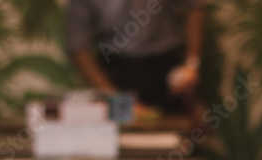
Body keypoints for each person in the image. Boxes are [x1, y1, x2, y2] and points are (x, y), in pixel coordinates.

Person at [64, 0, 204, 115]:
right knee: (123, 141)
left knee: (174, 138)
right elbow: (78, 46)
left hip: (167, 69)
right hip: (115, 71)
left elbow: (194, 6)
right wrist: (114, 98)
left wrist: (191, 64)